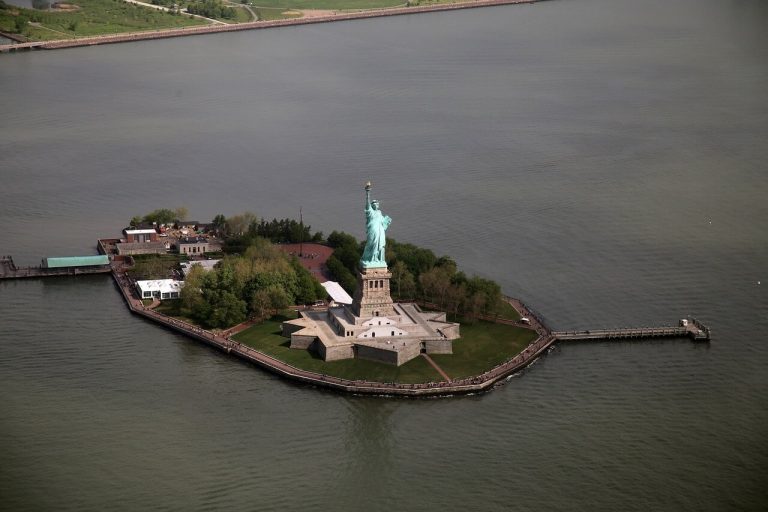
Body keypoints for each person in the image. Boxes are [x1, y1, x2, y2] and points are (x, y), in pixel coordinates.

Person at [360, 183, 392, 267]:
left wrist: (386, 221)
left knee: (380, 244)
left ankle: (378, 259)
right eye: (374, 204)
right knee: (372, 243)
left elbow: (383, 223)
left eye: (377, 204)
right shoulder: (370, 212)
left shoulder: (379, 212)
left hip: (380, 230)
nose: (376, 205)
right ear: (372, 205)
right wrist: (367, 193)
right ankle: (370, 259)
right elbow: (367, 205)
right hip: (373, 230)